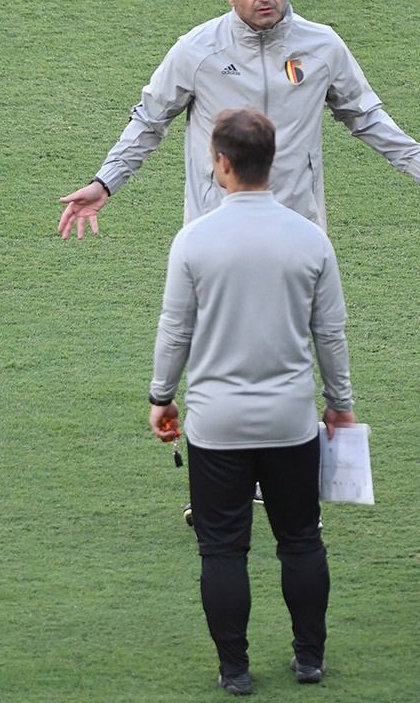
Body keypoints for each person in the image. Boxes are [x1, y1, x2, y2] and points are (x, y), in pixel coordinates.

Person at [57, 0, 420, 240]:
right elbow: (149, 120)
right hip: (216, 226)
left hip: (297, 225)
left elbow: (364, 114)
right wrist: (105, 182)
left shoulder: (322, 46)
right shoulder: (198, 50)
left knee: (292, 345)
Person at [149, 107, 353, 695]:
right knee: (302, 540)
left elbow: (175, 331)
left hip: (216, 426)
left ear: (220, 163)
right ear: (274, 161)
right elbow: (331, 333)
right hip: (292, 421)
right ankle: (309, 659)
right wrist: (339, 403)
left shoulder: (194, 240)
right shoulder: (309, 239)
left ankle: (235, 669)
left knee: (222, 549)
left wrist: (162, 396)